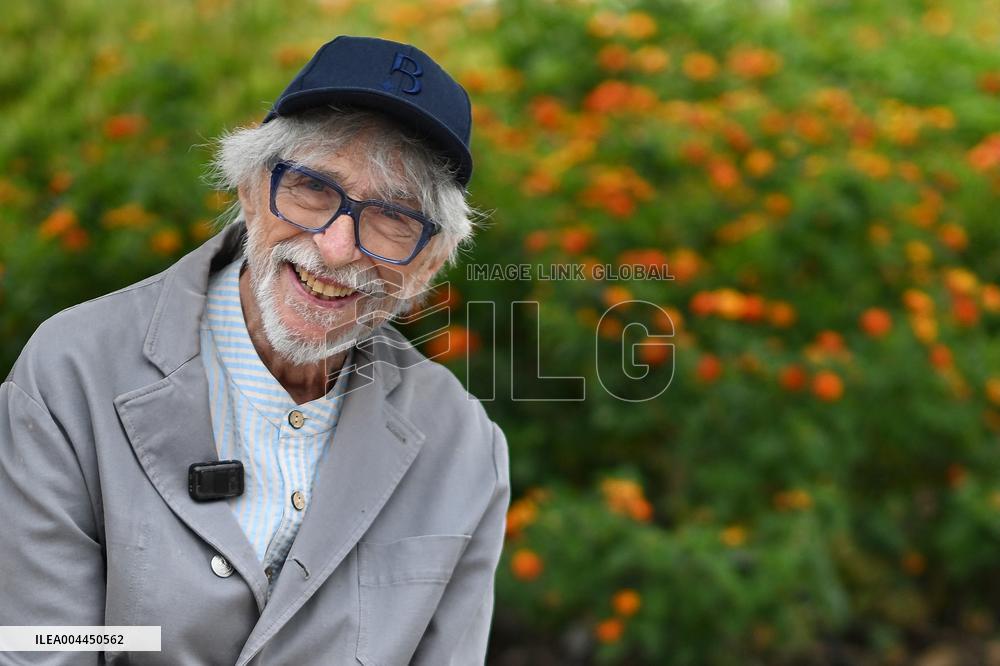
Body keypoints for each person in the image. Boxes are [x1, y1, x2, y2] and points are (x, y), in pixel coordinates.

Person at [0, 35, 509, 665]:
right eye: (313, 188)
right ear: (250, 187)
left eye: (392, 218)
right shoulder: (73, 370)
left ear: (429, 261)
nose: (336, 248)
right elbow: (43, 646)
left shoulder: (464, 448)